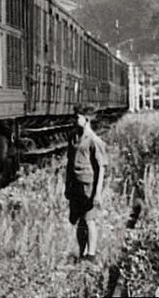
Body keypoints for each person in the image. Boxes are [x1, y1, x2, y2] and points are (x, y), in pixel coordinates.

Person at [65, 103, 107, 260]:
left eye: (78, 117)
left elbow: (101, 168)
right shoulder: (74, 138)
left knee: (89, 220)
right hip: (76, 185)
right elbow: (69, 164)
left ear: (86, 119)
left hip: (88, 186)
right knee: (79, 220)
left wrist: (98, 193)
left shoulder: (94, 140)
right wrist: (67, 186)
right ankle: (82, 253)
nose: (75, 120)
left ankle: (91, 255)